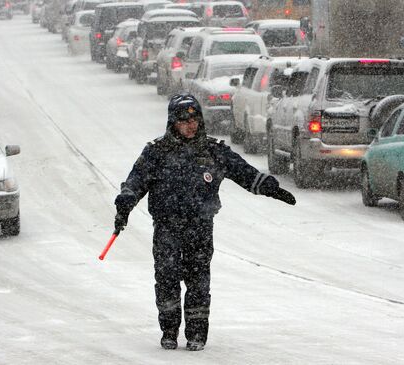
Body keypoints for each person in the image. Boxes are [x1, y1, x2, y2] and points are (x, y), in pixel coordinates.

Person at [113, 93, 296, 351]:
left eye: (195, 119)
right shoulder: (156, 152)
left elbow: (243, 172)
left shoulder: (213, 151)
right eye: (184, 121)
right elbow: (135, 182)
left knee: (198, 281)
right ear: (172, 123)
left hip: (200, 228)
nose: (190, 125)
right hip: (167, 228)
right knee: (166, 279)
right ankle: (169, 330)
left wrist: (269, 187)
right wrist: (125, 205)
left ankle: (197, 334)